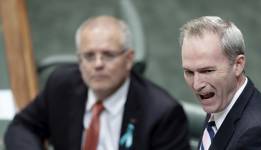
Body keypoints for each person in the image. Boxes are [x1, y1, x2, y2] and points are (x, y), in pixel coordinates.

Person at [4, 16, 191, 150]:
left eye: (108, 55)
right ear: (79, 61)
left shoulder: (163, 114)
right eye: (89, 56)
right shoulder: (61, 85)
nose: (98, 64)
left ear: (128, 59)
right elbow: (22, 127)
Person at [179, 16, 261, 150]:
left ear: (238, 65)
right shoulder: (221, 97)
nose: (196, 85)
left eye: (207, 71)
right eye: (189, 72)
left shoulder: (257, 135)